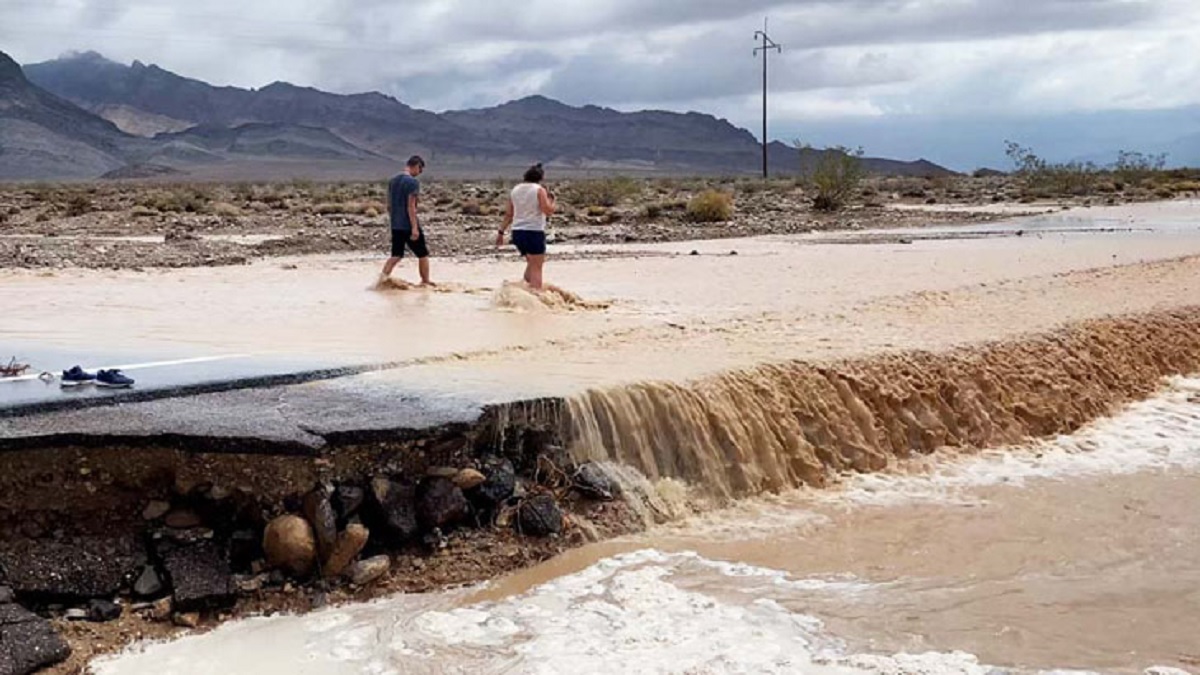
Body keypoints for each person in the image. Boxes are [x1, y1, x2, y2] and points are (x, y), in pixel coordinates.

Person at [496, 162, 555, 290]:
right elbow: (548, 210)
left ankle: (524, 289)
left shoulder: (515, 190)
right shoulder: (539, 190)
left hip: (517, 232)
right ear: (540, 178)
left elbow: (509, 214)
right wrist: (552, 200)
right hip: (533, 231)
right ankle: (535, 297)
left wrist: (501, 232)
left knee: (531, 263)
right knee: (537, 267)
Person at [381, 155, 434, 286]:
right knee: (422, 254)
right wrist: (414, 227)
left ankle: (381, 280)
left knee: (396, 255)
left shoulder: (393, 181)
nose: (419, 173)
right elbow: (411, 206)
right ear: (416, 166)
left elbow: (389, 205)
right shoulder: (412, 183)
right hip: (407, 224)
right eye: (420, 170)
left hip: (396, 224)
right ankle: (425, 281)